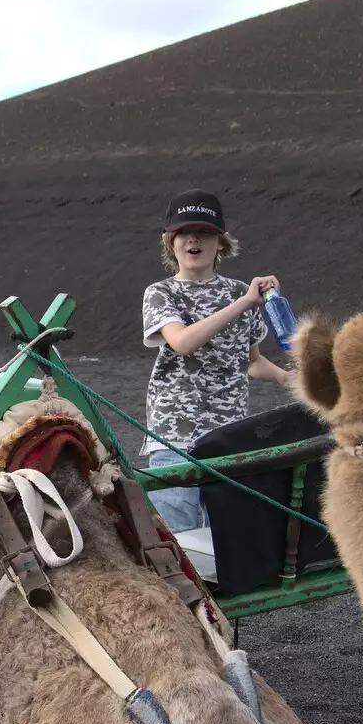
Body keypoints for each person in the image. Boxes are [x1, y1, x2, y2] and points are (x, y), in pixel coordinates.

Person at [140, 188, 292, 532]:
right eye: (183, 232)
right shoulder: (162, 293)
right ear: (169, 241)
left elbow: (251, 361)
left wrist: (285, 378)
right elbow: (181, 342)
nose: (194, 239)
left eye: (205, 232)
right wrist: (243, 303)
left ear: (220, 241)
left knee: (226, 538)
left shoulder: (239, 291)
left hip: (229, 436)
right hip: (173, 437)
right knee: (176, 540)